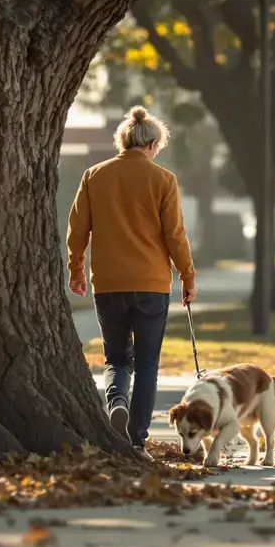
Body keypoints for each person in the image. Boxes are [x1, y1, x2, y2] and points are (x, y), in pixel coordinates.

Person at [66, 106, 197, 462]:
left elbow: (78, 229)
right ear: (152, 144)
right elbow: (174, 234)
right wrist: (187, 276)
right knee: (148, 363)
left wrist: (76, 269)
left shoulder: (95, 176)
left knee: (117, 358)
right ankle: (137, 441)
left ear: (124, 141)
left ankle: (116, 402)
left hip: (108, 283)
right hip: (152, 284)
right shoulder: (163, 180)